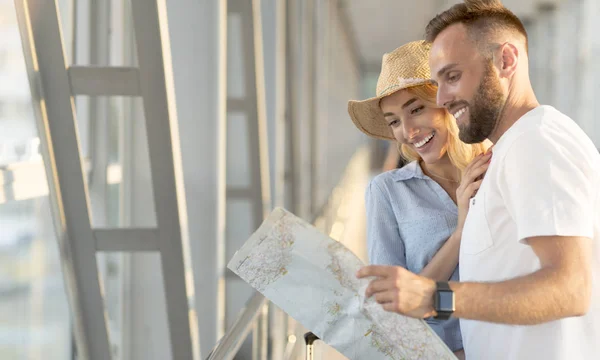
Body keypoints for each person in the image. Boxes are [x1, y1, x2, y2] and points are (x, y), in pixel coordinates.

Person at [357, 1, 600, 359]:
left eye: (452, 77)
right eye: (438, 82)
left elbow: (572, 289)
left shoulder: (536, 143)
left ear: (506, 61)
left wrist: (431, 297)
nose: (443, 97)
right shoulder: (505, 153)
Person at [347, 40, 489, 357]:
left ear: (448, 103)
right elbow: (394, 304)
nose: (408, 130)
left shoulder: (496, 167)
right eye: (394, 120)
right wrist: (460, 233)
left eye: (416, 109)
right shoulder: (388, 191)